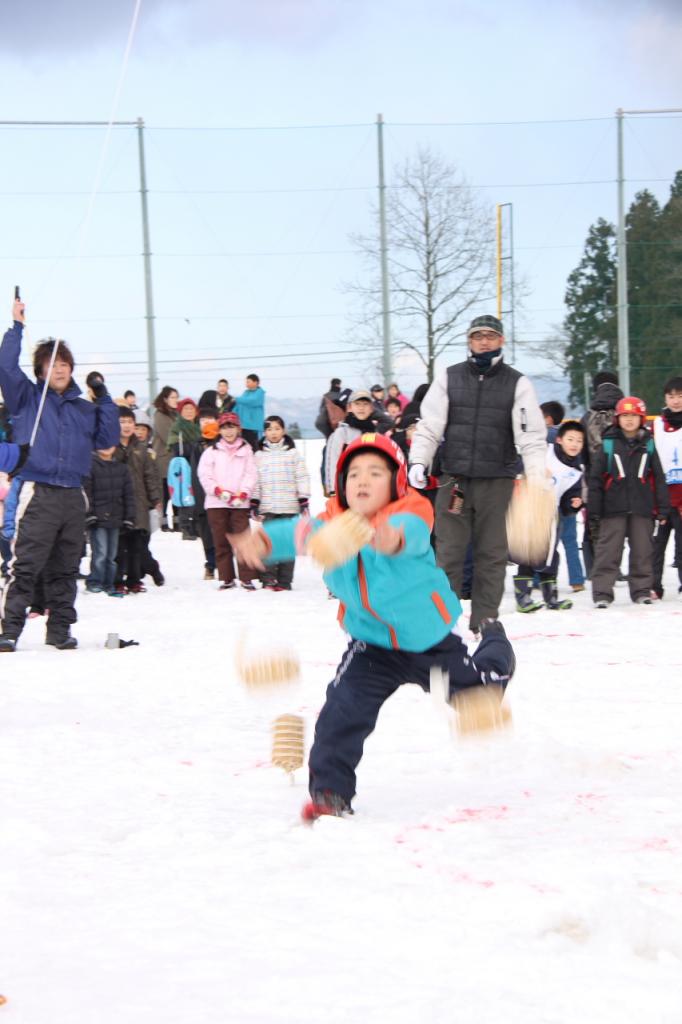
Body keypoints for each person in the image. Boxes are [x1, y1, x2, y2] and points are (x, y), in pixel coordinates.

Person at [232, 433, 516, 817]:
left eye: (375, 473)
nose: (362, 481)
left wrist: (389, 538)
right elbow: (296, 534)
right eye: (353, 474)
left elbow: (409, 536)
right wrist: (264, 542)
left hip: (428, 640)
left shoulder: (410, 513)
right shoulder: (330, 525)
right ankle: (330, 792)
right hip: (372, 644)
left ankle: (496, 649)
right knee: (342, 710)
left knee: (476, 699)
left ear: (396, 482)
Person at [408, 314, 546, 634]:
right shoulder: (448, 377)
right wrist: (418, 461)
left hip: (497, 480)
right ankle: (442, 621)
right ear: (469, 341)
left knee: (492, 555)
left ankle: (485, 618)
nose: (484, 341)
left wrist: (537, 476)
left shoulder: (517, 383)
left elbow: (531, 436)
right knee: (449, 553)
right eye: (477, 336)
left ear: (502, 341)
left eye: (491, 335)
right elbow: (430, 426)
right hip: (454, 479)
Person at [0, 295, 120, 651]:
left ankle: (60, 631)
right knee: (26, 565)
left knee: (67, 567)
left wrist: (104, 396)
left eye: (65, 363)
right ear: (40, 372)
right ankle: (8, 631)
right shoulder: (26, 399)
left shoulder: (84, 408)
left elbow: (107, 439)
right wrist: (17, 327)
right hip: (39, 492)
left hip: (73, 494)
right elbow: (6, 367)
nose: (60, 369)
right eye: (52, 364)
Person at [588, 396, 669, 608]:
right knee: (608, 552)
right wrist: (594, 509)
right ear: (618, 418)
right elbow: (595, 478)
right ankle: (602, 593)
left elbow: (658, 477)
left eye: (634, 415)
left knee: (642, 551)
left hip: (642, 507)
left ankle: (642, 590)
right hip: (612, 508)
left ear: (642, 418)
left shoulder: (648, 443)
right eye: (625, 415)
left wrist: (662, 508)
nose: (629, 420)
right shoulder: (608, 443)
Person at [514, 420, 586, 612]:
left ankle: (551, 598)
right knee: (530, 553)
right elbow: (520, 461)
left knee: (551, 555)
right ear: (560, 440)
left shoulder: (576, 470)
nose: (574, 444)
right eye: (570, 439)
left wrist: (575, 502)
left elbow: (569, 498)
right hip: (530, 506)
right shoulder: (545, 451)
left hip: (552, 514)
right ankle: (523, 598)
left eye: (579, 441)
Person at [197, 412, 258, 590]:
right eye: (224, 428)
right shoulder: (211, 452)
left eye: (231, 427)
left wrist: (244, 493)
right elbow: (204, 475)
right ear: (219, 430)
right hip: (217, 503)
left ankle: (247, 577)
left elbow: (251, 473)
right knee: (221, 541)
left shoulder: (247, 450)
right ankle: (226, 577)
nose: (228, 431)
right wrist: (217, 491)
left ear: (238, 429)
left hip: (240, 503)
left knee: (243, 540)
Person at [251, 415, 310, 590]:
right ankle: (268, 579)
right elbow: (255, 480)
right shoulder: (259, 455)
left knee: (287, 544)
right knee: (268, 543)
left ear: (283, 430)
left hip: (289, 505)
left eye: (277, 428)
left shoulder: (292, 454)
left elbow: (302, 476)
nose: (273, 433)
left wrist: (303, 499)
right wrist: (254, 501)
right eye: (269, 429)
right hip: (268, 506)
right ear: (265, 432)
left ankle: (285, 581)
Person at [114, 408, 164, 593]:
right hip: (117, 504)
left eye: (129, 422)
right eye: (122, 422)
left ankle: (134, 580)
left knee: (137, 545)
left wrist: (156, 499)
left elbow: (150, 476)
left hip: (139, 503)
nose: (126, 426)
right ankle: (117, 579)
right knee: (119, 546)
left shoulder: (141, 449)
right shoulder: (111, 448)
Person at [581, 371, 625, 578]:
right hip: (622, 479)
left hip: (594, 479)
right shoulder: (625, 413)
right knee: (619, 525)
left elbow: (581, 454)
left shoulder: (587, 416)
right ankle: (616, 568)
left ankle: (594, 569)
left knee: (594, 524)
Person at [84, 446, 136, 595]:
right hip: (98, 518)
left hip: (116, 517)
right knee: (100, 553)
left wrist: (129, 517)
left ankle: (108, 582)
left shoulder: (121, 468)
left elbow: (128, 494)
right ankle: (95, 580)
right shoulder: (91, 466)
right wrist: (90, 514)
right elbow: (87, 493)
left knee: (111, 555)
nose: (107, 448)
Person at [324, 388, 391, 496]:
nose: (361, 408)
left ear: (371, 408)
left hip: (372, 491)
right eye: (357, 404)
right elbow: (333, 462)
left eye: (365, 404)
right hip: (347, 491)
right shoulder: (342, 433)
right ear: (350, 407)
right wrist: (334, 490)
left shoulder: (375, 434)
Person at [652, 376, 682, 600]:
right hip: (662, 495)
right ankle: (654, 585)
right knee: (657, 545)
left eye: (680, 396)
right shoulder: (658, 424)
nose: (676, 401)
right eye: (671, 396)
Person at [188, 407, 220, 579]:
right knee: (207, 534)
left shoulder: (225, 443)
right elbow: (195, 476)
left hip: (223, 497)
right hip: (203, 497)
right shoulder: (197, 446)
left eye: (210, 420)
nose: (206, 423)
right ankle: (210, 564)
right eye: (203, 420)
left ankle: (225, 565)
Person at [152, 386, 179, 530]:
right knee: (164, 494)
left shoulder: (175, 414)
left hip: (174, 459)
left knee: (175, 492)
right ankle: (163, 524)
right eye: (173, 397)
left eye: (176, 397)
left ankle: (176, 522)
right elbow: (168, 436)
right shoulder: (160, 415)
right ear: (165, 399)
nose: (176, 400)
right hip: (164, 459)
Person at [234, 373, 266, 450]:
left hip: (254, 427)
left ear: (256, 382)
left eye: (248, 381)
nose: (246, 384)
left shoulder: (260, 393)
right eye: (246, 382)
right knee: (244, 448)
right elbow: (239, 405)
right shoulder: (246, 393)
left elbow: (253, 401)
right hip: (244, 426)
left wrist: (237, 399)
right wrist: (233, 413)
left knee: (254, 448)